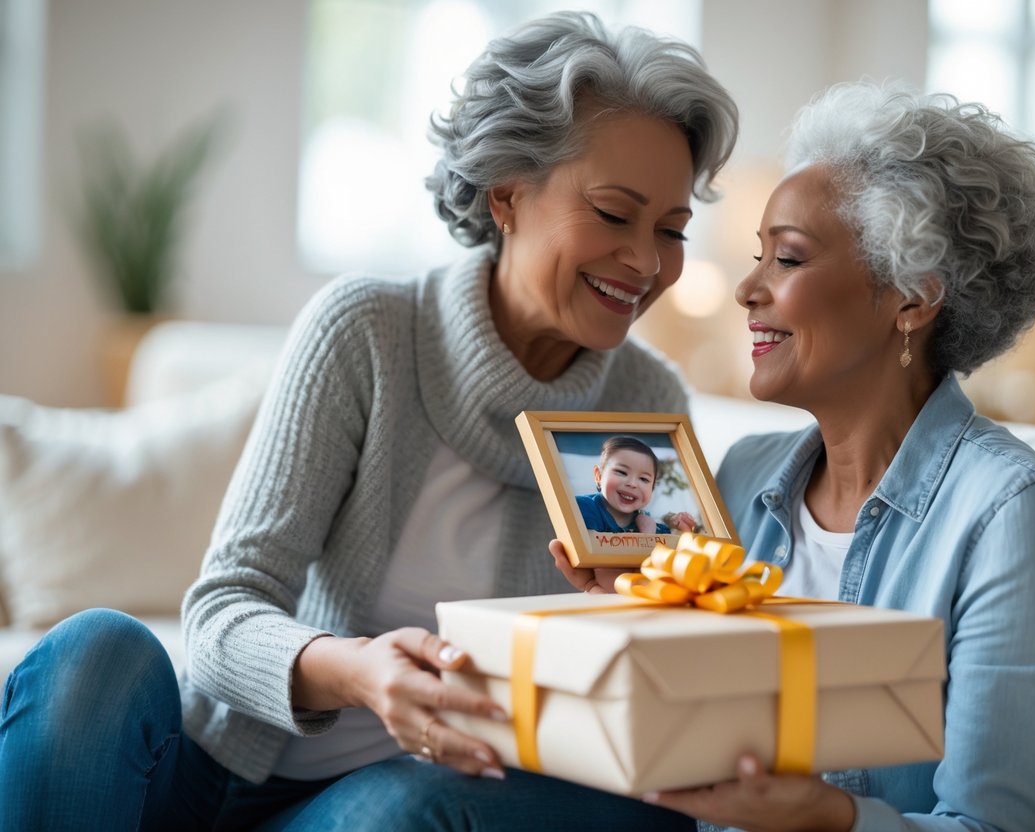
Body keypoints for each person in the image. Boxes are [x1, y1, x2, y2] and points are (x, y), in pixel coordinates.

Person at [0, 12, 736, 831]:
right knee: (91, 652)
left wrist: (632, 617)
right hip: (218, 780)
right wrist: (355, 672)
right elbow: (220, 614)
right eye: (611, 213)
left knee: (417, 806)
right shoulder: (369, 332)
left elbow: (668, 682)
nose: (645, 263)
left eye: (671, 231)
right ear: (506, 194)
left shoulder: (648, 401)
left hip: (410, 803)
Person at [555, 81, 1035, 831]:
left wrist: (829, 816)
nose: (747, 289)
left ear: (911, 298)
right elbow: (684, 743)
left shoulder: (1012, 517)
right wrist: (635, 622)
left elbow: (994, 826)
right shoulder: (743, 476)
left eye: (786, 258)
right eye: (757, 258)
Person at [575, 435, 696, 534]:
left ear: (652, 488)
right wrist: (646, 535)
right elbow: (593, 549)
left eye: (643, 479)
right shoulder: (584, 507)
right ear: (599, 476)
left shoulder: (651, 524)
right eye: (622, 472)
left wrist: (681, 528)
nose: (632, 484)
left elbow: (673, 551)